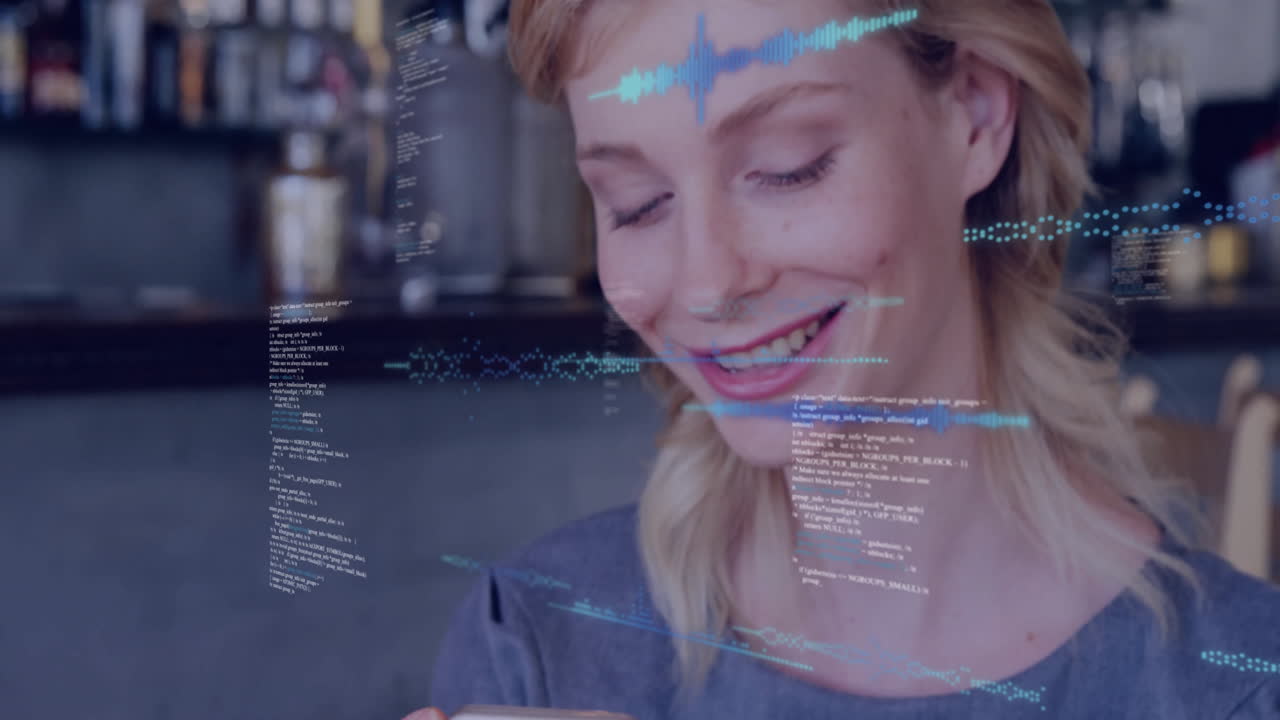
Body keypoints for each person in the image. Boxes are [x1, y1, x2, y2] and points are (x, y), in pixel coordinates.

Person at [406, 0, 1280, 717]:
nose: (708, 283)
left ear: (974, 112)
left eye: (791, 168)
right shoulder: (538, 645)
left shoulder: (1233, 685)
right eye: (636, 205)